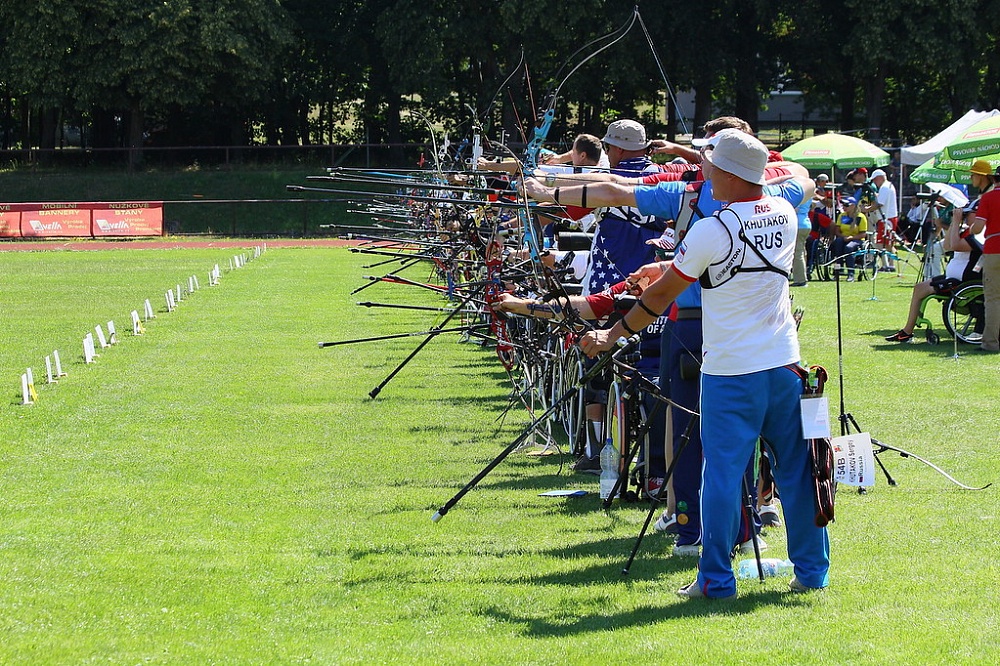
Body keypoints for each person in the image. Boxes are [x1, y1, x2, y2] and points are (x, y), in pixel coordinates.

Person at [525, 121, 812, 561]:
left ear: (726, 168)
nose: (703, 165)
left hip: (707, 340)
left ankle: (693, 536)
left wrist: (546, 193)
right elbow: (801, 177)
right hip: (779, 354)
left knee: (697, 444)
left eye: (709, 159)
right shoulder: (783, 204)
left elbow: (617, 191)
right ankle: (769, 538)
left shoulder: (692, 201)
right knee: (783, 459)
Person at [884, 205, 984, 343]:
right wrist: (955, 224)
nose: (965, 217)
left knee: (923, 289)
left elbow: (954, 246)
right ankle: (907, 331)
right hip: (954, 277)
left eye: (968, 214)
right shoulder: (966, 231)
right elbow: (947, 246)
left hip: (964, 281)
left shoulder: (980, 235)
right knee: (919, 287)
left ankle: (907, 332)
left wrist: (955, 221)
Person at [970, 164, 1000, 352]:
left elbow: (978, 228)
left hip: (994, 249)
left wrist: (971, 228)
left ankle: (990, 342)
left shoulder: (988, 198)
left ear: (994, 180)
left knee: (993, 299)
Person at [863, 169, 899, 271]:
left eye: (875, 180)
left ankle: (886, 265)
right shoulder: (889, 186)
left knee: (881, 243)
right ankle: (889, 264)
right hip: (889, 218)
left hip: (886, 218)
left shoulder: (884, 188)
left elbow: (879, 204)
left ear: (879, 178)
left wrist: (866, 209)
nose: (874, 182)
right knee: (887, 243)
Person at [832, 197, 868, 281]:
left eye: (846, 205)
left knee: (849, 247)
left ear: (852, 206)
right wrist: (843, 236)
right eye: (843, 205)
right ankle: (839, 269)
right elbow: (837, 230)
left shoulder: (860, 217)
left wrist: (852, 237)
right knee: (837, 243)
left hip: (857, 239)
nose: (843, 207)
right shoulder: (842, 216)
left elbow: (863, 234)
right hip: (843, 237)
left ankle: (850, 273)